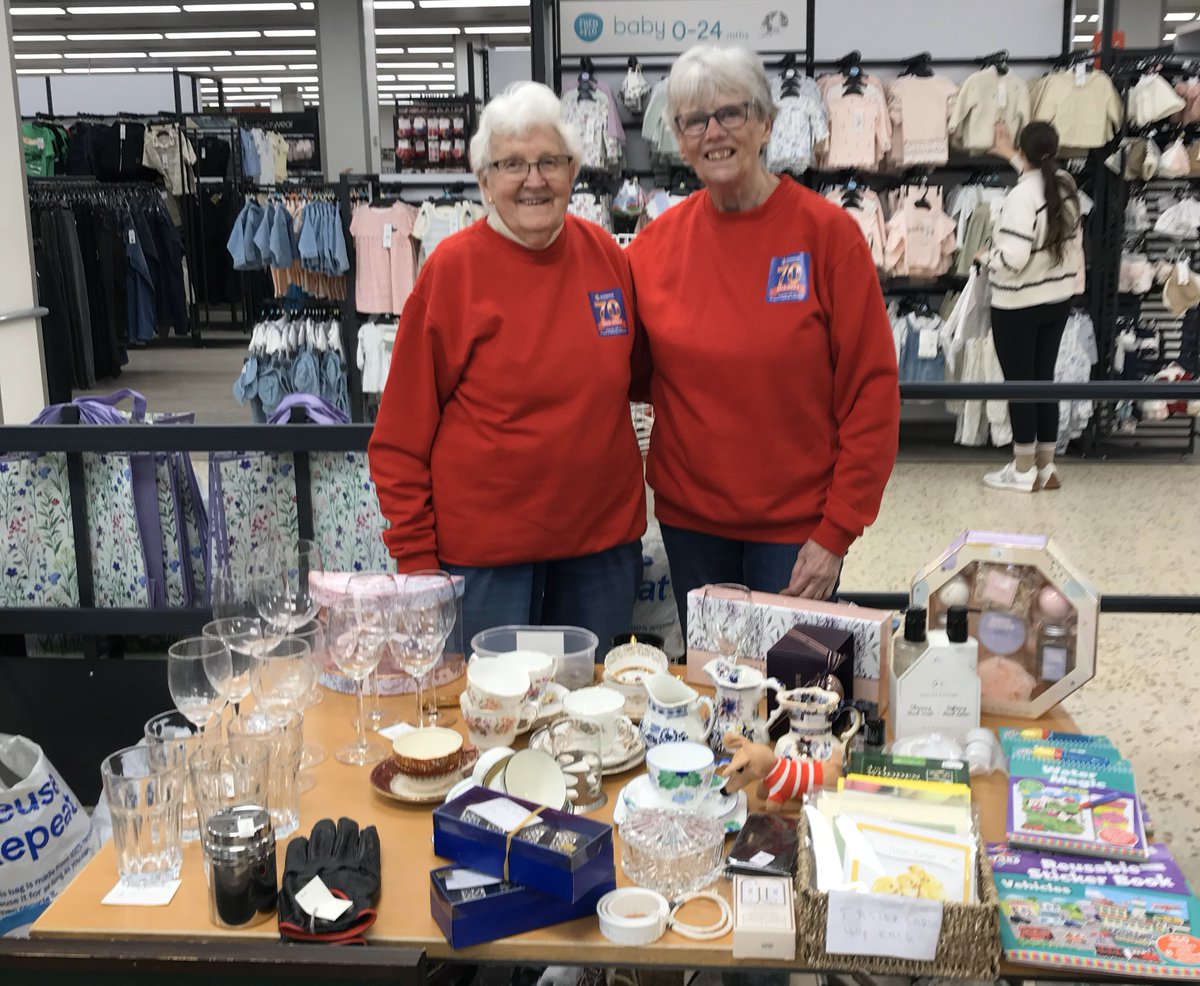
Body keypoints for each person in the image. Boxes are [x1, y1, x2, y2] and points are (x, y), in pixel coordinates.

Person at [625, 44, 900, 641]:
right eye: (695, 120)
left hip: (798, 530)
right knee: (714, 681)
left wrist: (836, 533)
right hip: (692, 523)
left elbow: (872, 393)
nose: (714, 132)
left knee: (791, 686)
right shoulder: (655, 246)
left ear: (767, 123)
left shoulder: (828, 236)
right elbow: (630, 370)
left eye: (732, 113)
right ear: (677, 134)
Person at [367, 81, 646, 650]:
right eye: (513, 163)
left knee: (592, 720)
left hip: (601, 552)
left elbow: (641, 379)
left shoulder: (607, 257)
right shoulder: (451, 271)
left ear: (573, 170)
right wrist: (418, 563)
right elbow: (399, 436)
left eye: (549, 161)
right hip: (485, 563)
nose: (534, 179)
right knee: (491, 722)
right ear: (485, 180)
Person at [982, 119, 1083, 493]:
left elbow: (1013, 257)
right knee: (1043, 380)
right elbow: (1038, 183)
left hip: (1017, 304)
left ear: (1025, 153)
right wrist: (1010, 152)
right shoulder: (1066, 185)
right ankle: (1046, 466)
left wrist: (984, 257)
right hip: (1056, 299)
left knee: (1020, 384)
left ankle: (1022, 469)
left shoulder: (1020, 197)